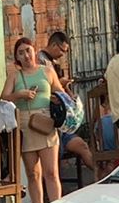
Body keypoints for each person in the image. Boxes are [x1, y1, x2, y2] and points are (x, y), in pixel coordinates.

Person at [2, 36, 64, 203]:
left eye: (28, 51)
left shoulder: (47, 71)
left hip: (45, 122)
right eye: (21, 53)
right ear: (17, 57)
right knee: (33, 173)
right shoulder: (15, 75)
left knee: (51, 172)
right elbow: (3, 98)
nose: (26, 56)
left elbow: (60, 92)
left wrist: (58, 99)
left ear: (34, 51)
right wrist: (19, 95)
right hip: (24, 123)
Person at [36, 30, 96, 180]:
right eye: (62, 51)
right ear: (54, 45)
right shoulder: (41, 62)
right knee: (53, 160)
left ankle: (100, 178)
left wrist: (70, 95)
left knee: (82, 146)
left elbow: (61, 88)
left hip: (63, 122)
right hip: (50, 119)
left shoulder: (55, 64)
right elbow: (42, 88)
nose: (63, 55)